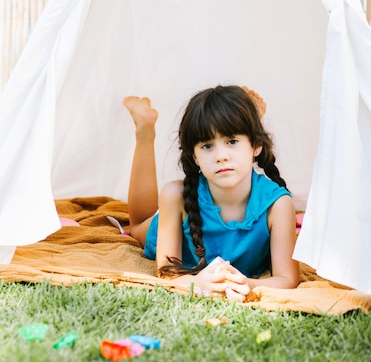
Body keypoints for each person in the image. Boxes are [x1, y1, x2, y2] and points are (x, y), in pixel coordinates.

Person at [123, 85, 299, 302]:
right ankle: (145, 130)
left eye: (231, 141)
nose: (220, 156)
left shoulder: (278, 204)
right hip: (182, 215)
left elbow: (287, 279)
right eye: (207, 146)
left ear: (257, 146)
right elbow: (166, 273)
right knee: (136, 225)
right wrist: (196, 282)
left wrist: (247, 284)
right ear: (194, 157)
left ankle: (237, 122)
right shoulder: (176, 197)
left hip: (223, 194)